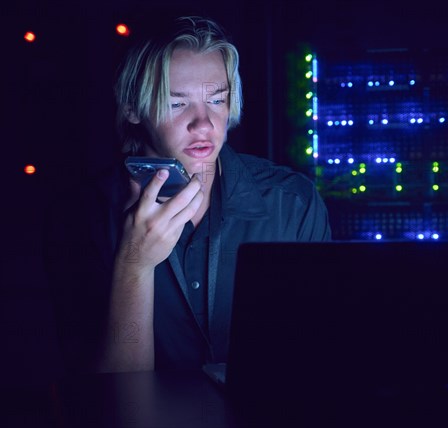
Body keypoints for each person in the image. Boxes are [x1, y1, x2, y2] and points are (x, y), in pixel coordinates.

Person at [44, 15, 331, 374]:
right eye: (177, 103)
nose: (204, 124)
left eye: (217, 100)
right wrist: (134, 265)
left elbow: (319, 359)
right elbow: (107, 400)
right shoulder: (80, 217)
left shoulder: (291, 203)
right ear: (133, 108)